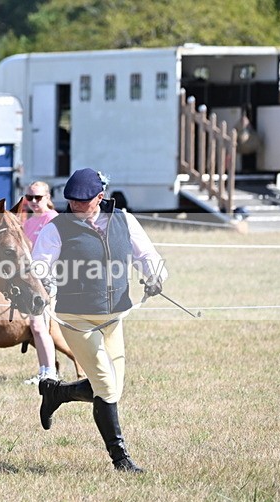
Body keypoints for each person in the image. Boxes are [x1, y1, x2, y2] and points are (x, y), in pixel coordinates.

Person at [32, 168, 167, 473]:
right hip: (76, 318)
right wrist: (46, 283)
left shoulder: (124, 221)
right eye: (71, 201)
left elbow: (147, 255)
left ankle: (57, 393)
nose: (75, 207)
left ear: (100, 198)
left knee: (111, 388)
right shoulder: (56, 229)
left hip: (114, 317)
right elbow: (39, 265)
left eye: (82, 201)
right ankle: (120, 459)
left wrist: (155, 277)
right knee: (105, 386)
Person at [21, 181, 60, 384]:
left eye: (38, 197)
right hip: (30, 279)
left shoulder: (53, 220)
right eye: (29, 198)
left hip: (46, 280)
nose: (33, 202)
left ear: (48, 197)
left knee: (38, 325)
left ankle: (49, 373)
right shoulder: (28, 223)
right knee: (37, 326)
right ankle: (44, 370)